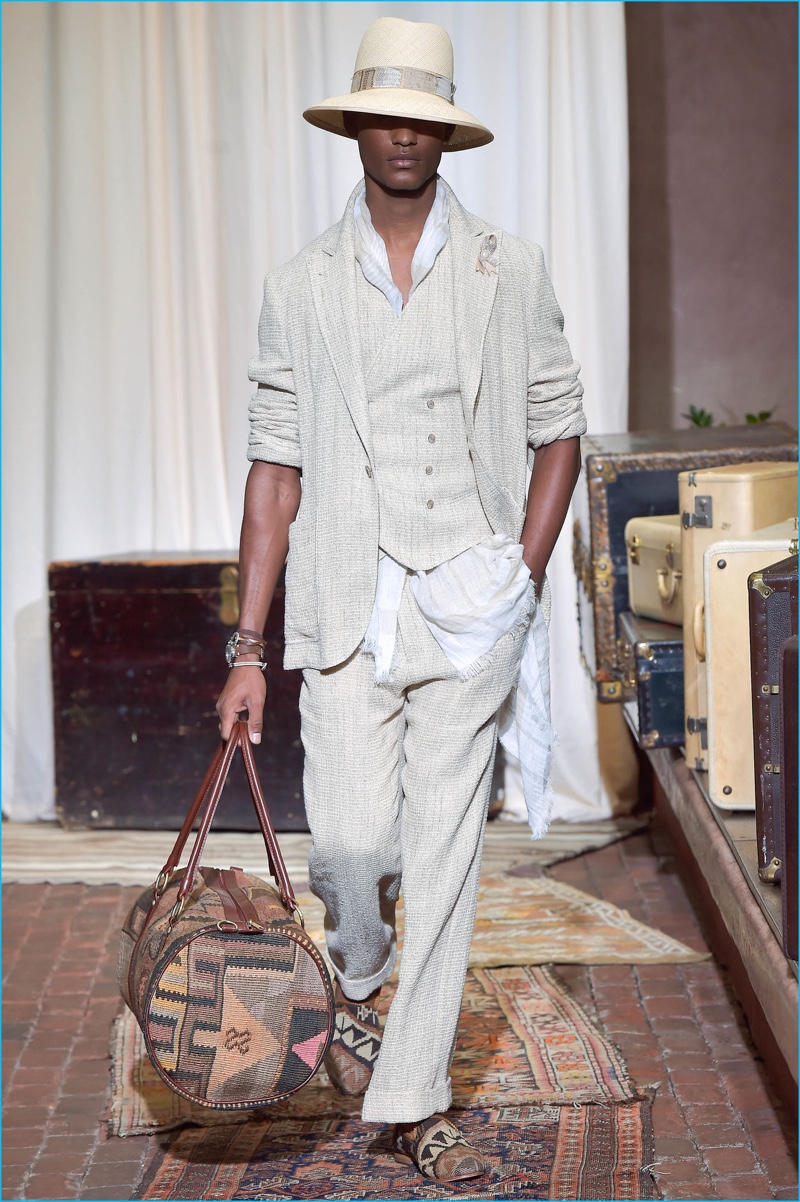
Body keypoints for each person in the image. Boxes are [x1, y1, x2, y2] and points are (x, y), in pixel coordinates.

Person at [216, 16, 586, 1183]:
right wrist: (246, 644)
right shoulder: (298, 285)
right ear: (355, 128)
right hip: (343, 604)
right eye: (383, 115)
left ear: (443, 135)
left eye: (421, 119)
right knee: (353, 843)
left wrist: (516, 576)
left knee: (441, 851)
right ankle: (364, 978)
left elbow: (557, 428)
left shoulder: (505, 267)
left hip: (468, 602)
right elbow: (274, 467)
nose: (401, 135)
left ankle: (409, 1093)